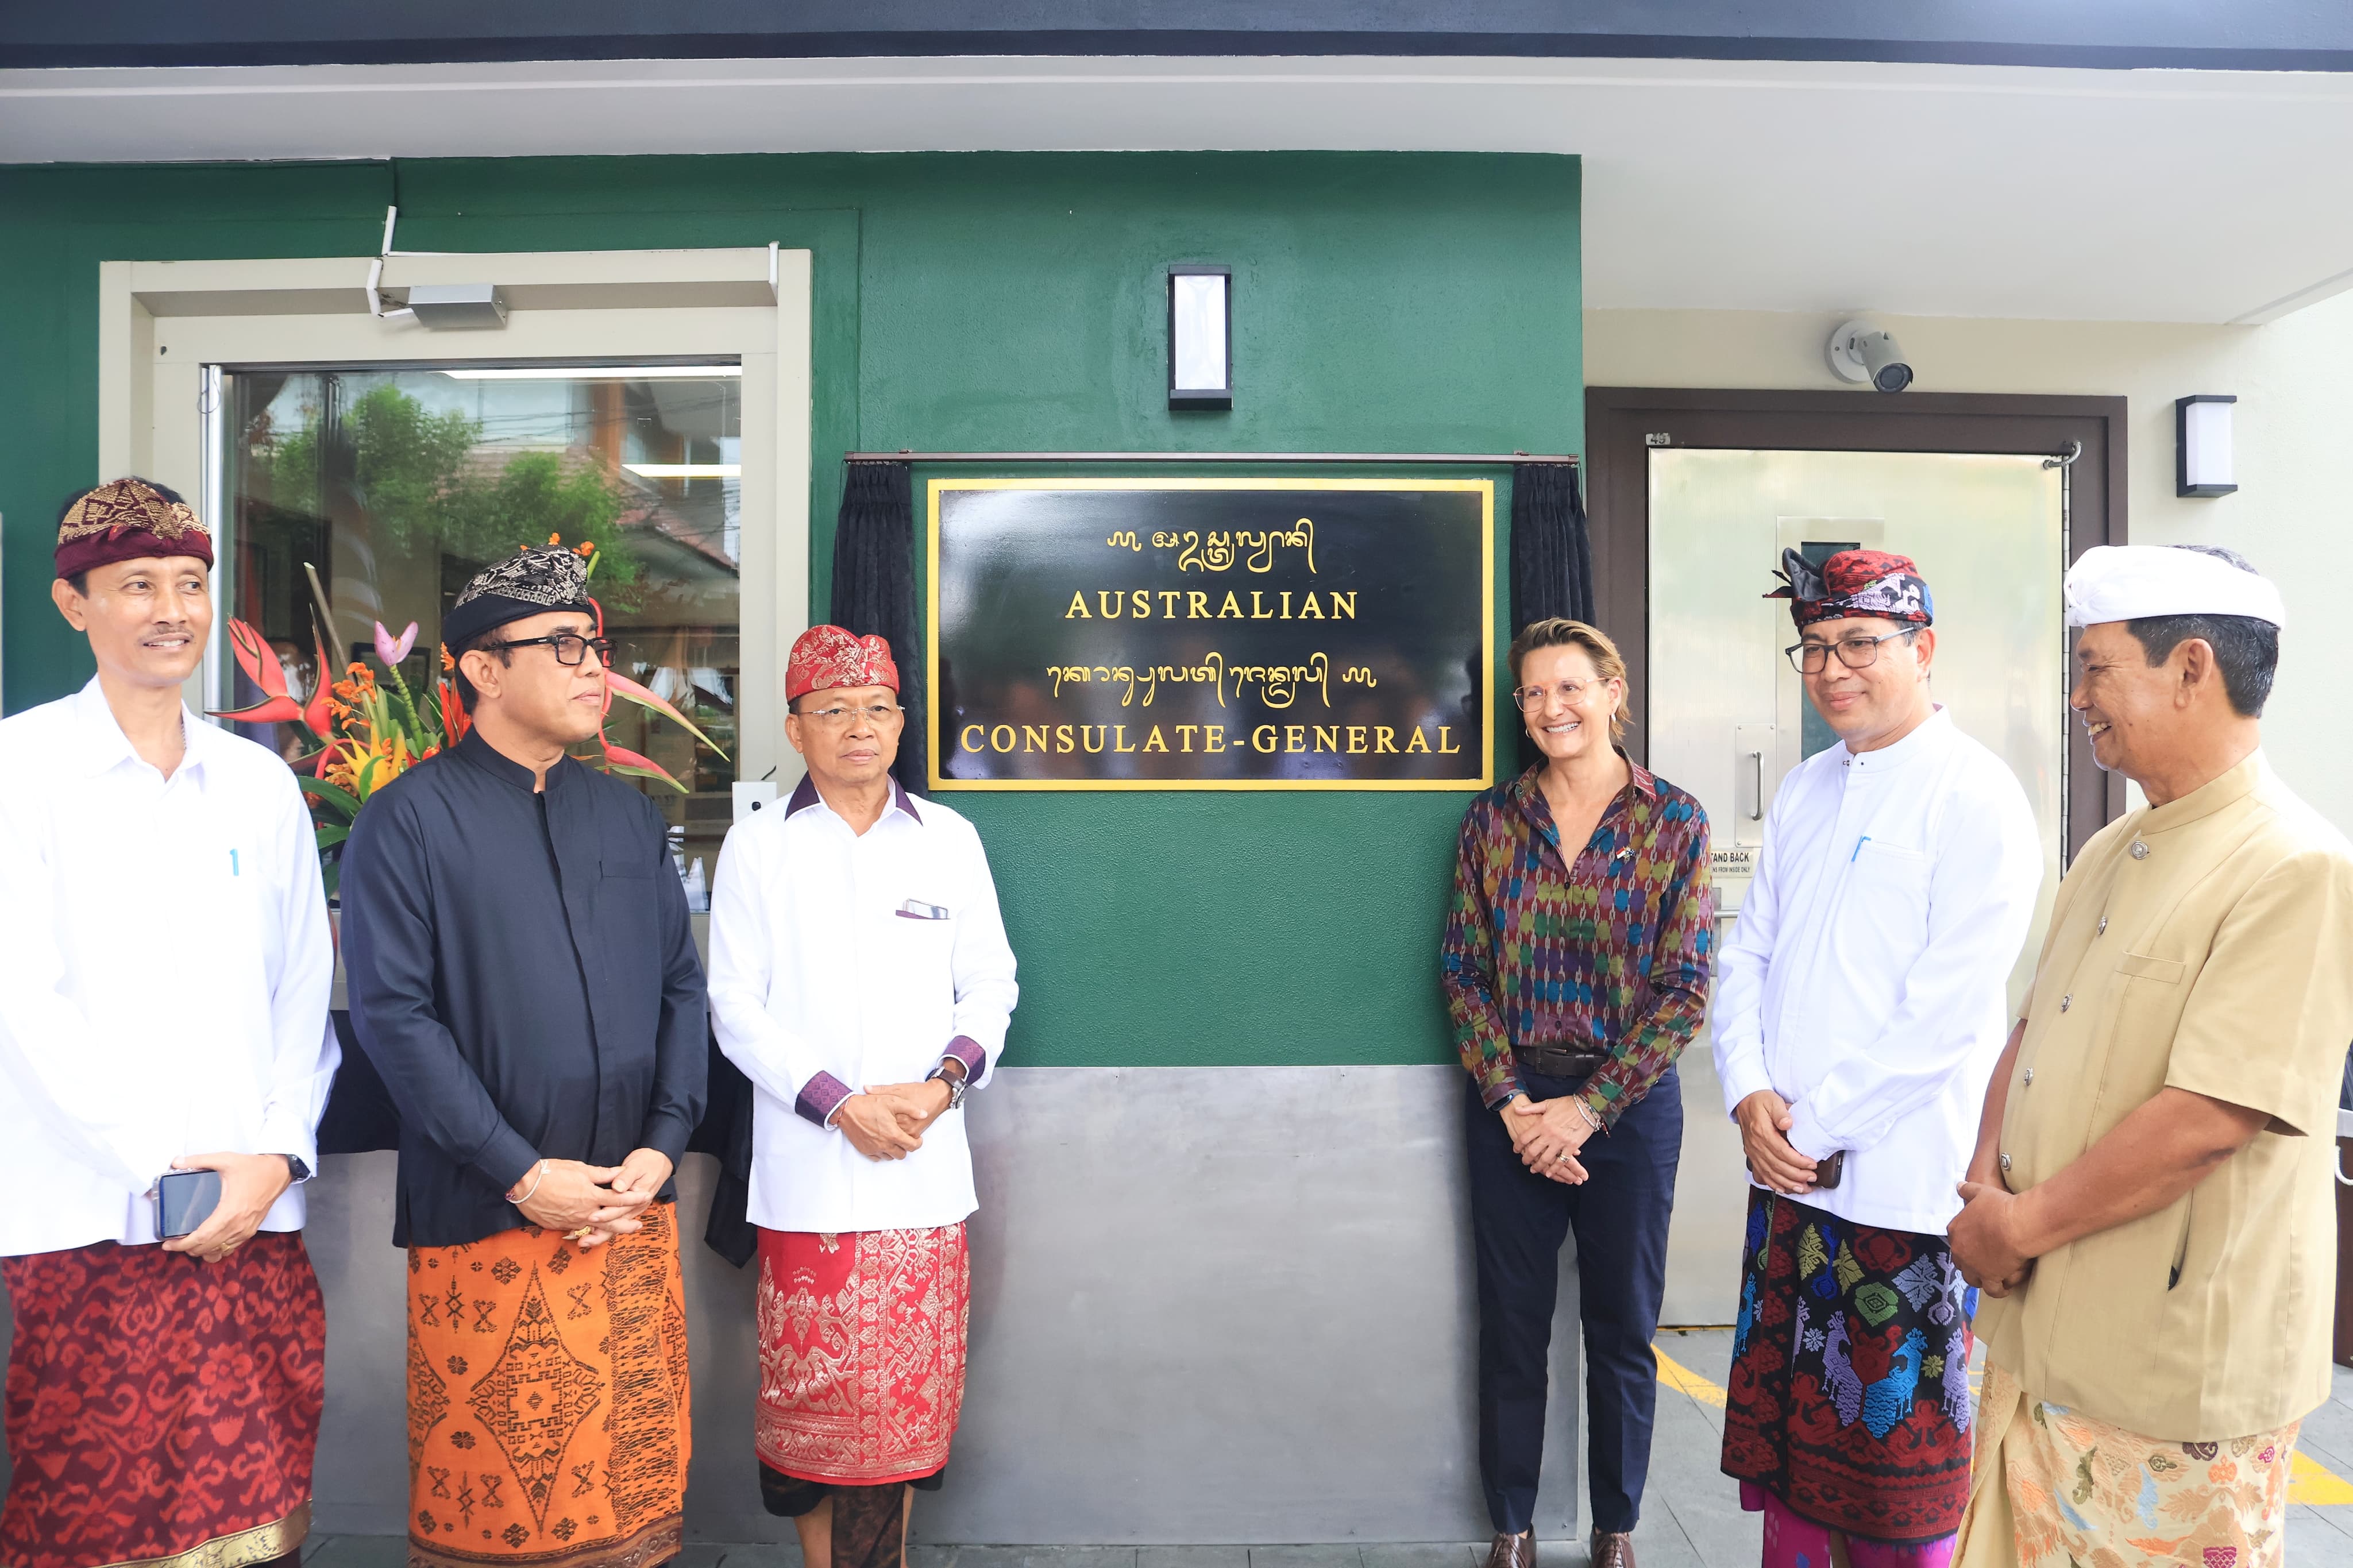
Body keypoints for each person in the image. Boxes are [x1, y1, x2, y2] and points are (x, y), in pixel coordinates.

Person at [1950, 544, 2353, 1568]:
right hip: (2040, 1326)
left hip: (2165, 1359)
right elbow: (2033, 1031)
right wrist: (1985, 1181)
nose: (2078, 695)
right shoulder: (2110, 848)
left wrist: (2016, 1225)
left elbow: (2212, 1117)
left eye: (2096, 667)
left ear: (2191, 668)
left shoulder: (2294, 864)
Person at [341, 545, 708, 1568]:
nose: (595, 667)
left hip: (629, 1211)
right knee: (503, 1514)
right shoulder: (406, 821)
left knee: (634, 1503)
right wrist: (523, 1172)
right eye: (564, 645)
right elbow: (396, 1018)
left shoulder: (628, 816)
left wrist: (664, 1144)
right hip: (491, 1220)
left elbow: (682, 987)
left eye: (596, 645)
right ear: (482, 669)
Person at [0, 477, 336, 1568]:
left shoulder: (256, 783)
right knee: (94, 1518)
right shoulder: (21, 769)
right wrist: (160, 1172)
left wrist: (276, 1156)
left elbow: (303, 990)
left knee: (258, 1519)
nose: (171, 609)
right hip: (87, 1221)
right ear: (75, 604)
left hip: (255, 1218)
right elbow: (24, 1004)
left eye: (189, 583)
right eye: (137, 584)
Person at [1712, 550, 2042, 1568]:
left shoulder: (1977, 794)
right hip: (1789, 1183)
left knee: (1897, 1481)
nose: (1831, 668)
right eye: (1814, 647)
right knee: (1794, 1467)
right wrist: (1748, 1090)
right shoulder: (1807, 788)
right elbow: (1747, 952)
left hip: (1902, 1195)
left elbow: (1943, 1015)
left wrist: (1809, 1129)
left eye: (1859, 642)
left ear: (1923, 647)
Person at [708, 625, 1019, 1568]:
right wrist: (841, 1104)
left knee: (904, 1412)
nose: (859, 727)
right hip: (809, 1181)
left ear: (901, 721)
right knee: (811, 1410)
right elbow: (733, 1006)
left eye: (878, 708)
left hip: (922, 1178)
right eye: (834, 709)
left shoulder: (949, 840)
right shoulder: (759, 845)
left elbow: (992, 983)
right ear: (796, 727)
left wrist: (941, 1085)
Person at [1441, 617, 1714, 1568]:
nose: (1551, 706)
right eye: (1533, 692)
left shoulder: (1674, 820)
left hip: (1627, 1110)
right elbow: (1463, 971)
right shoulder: (1493, 820)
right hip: (1512, 1106)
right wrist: (1516, 1105)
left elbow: (1684, 989)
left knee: (1623, 1327)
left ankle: (1616, 1527)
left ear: (1611, 693)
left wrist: (1587, 1110)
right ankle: (1511, 1525)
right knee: (1513, 1326)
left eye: (1570, 686)